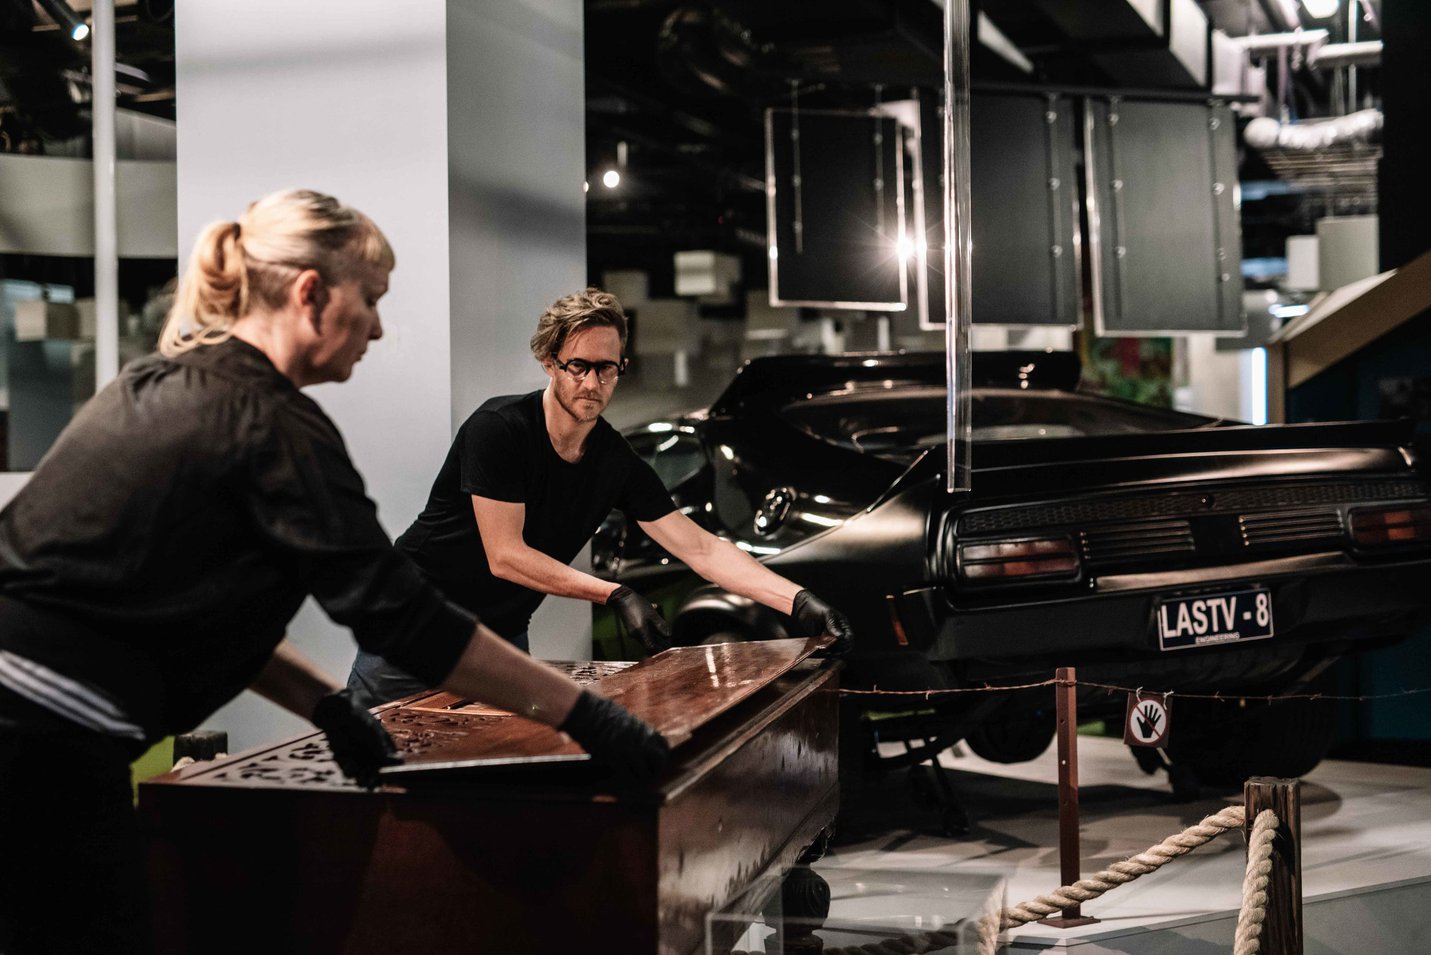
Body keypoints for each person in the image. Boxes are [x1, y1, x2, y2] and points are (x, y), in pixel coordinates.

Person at [0, 190, 666, 955]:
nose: (379, 327)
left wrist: (326, 705)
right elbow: (403, 615)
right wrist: (584, 715)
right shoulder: (273, 427)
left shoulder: (160, 382)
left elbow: (192, 609)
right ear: (313, 294)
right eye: (372, 300)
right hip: (38, 740)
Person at [348, 287, 854, 706]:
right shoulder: (497, 430)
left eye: (606, 369)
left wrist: (799, 602)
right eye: (578, 367)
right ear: (549, 363)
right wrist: (614, 593)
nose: (592, 383)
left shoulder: (615, 460)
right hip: (414, 617)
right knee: (364, 771)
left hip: (499, 632)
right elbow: (505, 556)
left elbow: (700, 549)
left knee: (488, 778)